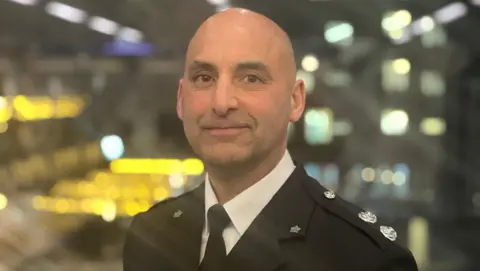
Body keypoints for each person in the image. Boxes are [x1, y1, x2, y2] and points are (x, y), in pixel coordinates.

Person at [123, 8, 419, 271]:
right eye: (204, 78)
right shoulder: (150, 236)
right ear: (180, 99)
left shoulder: (365, 259)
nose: (222, 102)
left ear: (295, 101)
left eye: (251, 78)